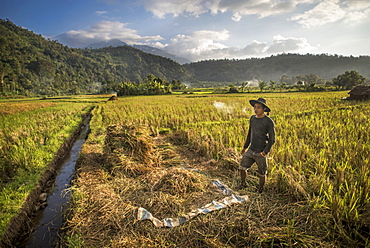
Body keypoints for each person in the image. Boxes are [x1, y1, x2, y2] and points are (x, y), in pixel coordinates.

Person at [237, 98, 275, 193]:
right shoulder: (252, 118)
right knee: (242, 167)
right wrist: (245, 147)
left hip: (260, 151)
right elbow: (250, 133)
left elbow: (272, 139)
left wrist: (265, 152)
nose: (256, 109)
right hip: (251, 149)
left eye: (258, 107)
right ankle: (243, 184)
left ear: (264, 109)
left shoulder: (268, 121)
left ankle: (260, 189)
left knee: (262, 172)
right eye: (255, 107)